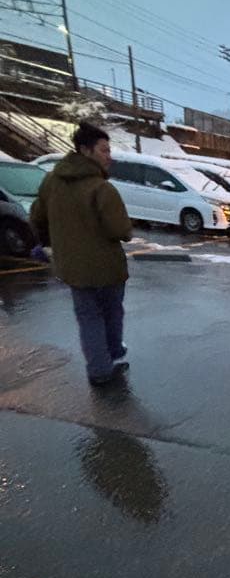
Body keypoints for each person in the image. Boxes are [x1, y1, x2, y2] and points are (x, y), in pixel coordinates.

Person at [30, 122, 132, 387]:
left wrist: (49, 243)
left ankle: (98, 370)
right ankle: (113, 355)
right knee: (111, 313)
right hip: (107, 268)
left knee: (88, 318)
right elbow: (120, 229)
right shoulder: (101, 189)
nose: (109, 156)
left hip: (72, 268)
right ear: (86, 151)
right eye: (104, 150)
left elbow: (37, 216)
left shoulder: (52, 181)